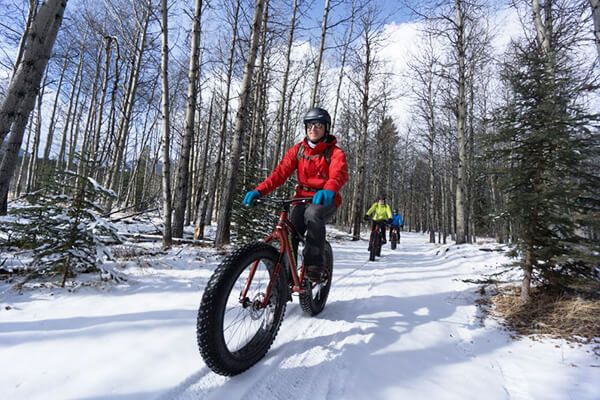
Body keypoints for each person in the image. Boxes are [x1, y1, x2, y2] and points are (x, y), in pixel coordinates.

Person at [242, 107, 349, 280]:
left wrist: (329, 190)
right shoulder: (298, 150)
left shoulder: (335, 153)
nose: (312, 129)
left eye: (317, 125)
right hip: (301, 197)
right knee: (289, 228)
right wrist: (259, 190)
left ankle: (313, 267)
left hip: (326, 198)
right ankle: (285, 276)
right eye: (309, 125)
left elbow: (338, 175)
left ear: (326, 128)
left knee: (313, 214)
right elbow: (279, 174)